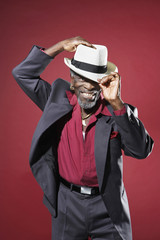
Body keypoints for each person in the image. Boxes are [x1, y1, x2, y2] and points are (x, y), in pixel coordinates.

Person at [12, 36, 154, 240]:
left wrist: (117, 103)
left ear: (103, 83)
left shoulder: (119, 113)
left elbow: (141, 150)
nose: (88, 87)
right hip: (67, 204)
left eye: (94, 81)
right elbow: (22, 74)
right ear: (71, 79)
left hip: (108, 206)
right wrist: (60, 47)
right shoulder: (57, 102)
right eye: (82, 79)